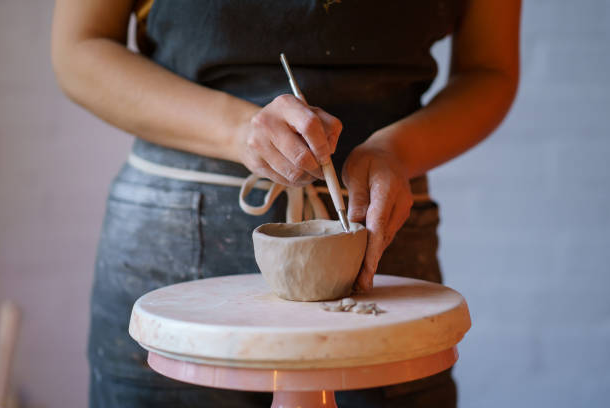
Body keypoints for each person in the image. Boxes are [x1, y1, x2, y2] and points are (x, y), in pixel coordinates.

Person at [51, 0, 520, 406]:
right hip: (176, 235)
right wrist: (236, 130)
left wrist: (397, 150)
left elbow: (490, 70)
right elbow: (79, 47)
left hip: (379, 225)